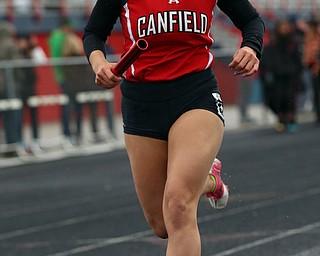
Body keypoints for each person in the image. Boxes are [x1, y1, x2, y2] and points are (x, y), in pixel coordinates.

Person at [83, 0, 264, 255]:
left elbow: (252, 21)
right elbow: (93, 33)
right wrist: (99, 64)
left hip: (195, 96)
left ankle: (197, 180)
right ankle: (209, 180)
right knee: (161, 224)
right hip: (141, 104)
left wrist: (251, 47)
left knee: (178, 205)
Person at [260, 18, 303, 133]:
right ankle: (281, 119)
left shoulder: (293, 44)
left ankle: (291, 119)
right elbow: (265, 62)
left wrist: (296, 72)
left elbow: (298, 62)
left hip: (290, 77)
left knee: (290, 98)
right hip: (276, 78)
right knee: (276, 99)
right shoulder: (272, 45)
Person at [303, 18, 320, 125]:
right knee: (316, 93)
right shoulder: (309, 38)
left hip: (316, 68)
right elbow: (307, 56)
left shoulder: (316, 38)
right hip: (312, 68)